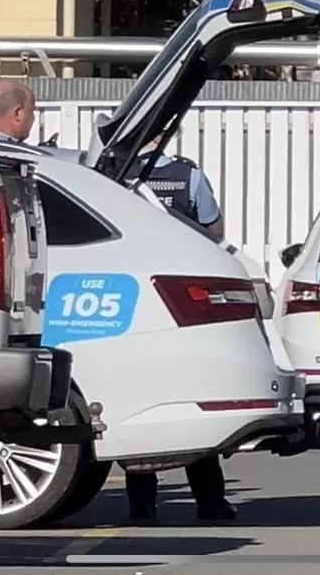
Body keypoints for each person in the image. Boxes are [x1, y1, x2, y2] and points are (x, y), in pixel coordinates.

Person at [121, 133, 232, 523]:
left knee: (136, 401)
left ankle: (141, 503)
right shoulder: (187, 175)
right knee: (191, 398)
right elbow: (214, 232)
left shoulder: (113, 175)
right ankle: (210, 501)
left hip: (131, 301)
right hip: (181, 297)